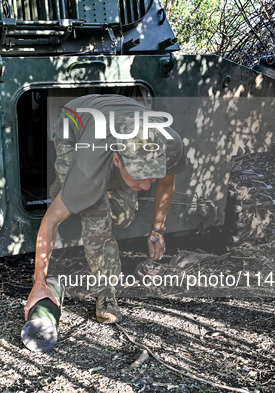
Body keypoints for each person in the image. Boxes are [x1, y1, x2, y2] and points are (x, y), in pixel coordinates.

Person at [25, 94, 188, 324]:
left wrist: (157, 230)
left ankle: (73, 192)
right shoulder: (89, 167)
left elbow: (165, 183)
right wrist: (39, 284)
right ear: (117, 160)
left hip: (112, 125)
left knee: (123, 217)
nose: (145, 186)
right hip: (73, 128)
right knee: (95, 212)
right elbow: (49, 222)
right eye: (139, 178)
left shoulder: (170, 144)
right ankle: (106, 291)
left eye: (150, 176)